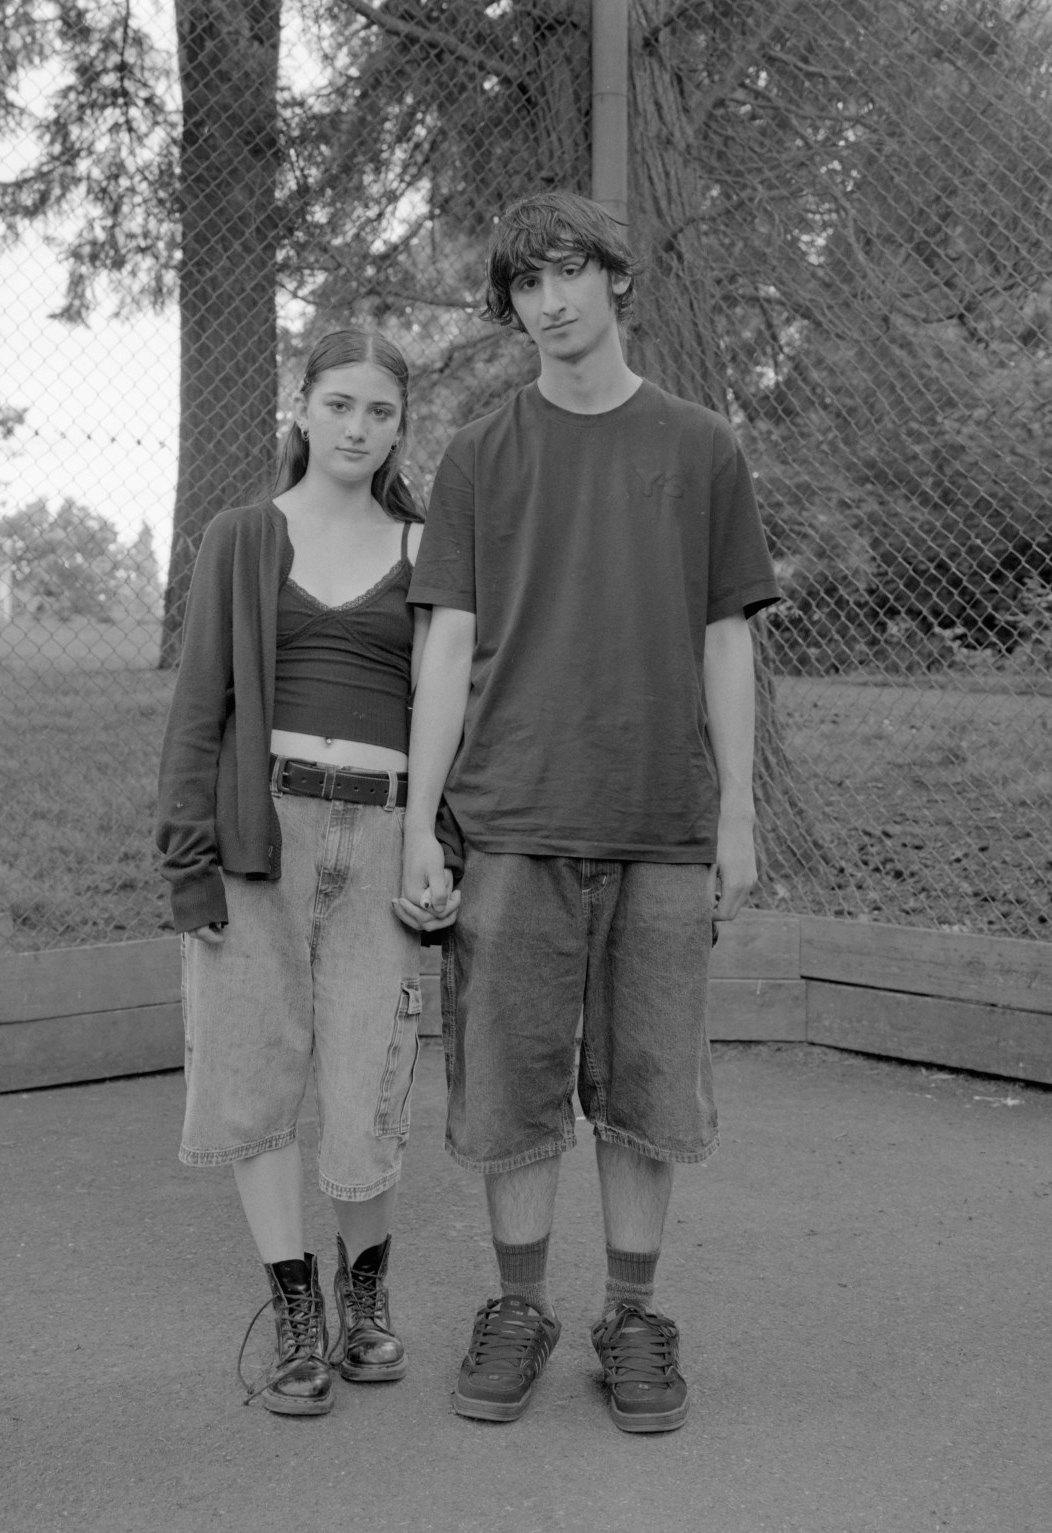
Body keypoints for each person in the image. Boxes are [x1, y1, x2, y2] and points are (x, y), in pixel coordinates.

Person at [396, 192, 780, 1434]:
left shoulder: (700, 446)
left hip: (662, 819)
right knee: (507, 1086)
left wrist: (736, 817)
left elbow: (727, 640)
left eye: (571, 274)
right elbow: (445, 645)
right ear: (509, 307)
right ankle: (518, 1308)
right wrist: (419, 821)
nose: (550, 302)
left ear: (616, 278)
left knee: (648, 1084)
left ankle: (630, 1316)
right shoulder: (481, 457)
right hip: (510, 818)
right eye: (525, 285)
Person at [156, 329, 432, 1417]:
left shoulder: (427, 547)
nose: (358, 428)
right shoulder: (240, 537)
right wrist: (190, 867)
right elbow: (198, 710)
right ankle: (296, 1311)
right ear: (303, 409)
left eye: (380, 412)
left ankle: (367, 1295)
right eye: (341, 405)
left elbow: (458, 708)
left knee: (370, 1074)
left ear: (401, 427)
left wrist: (437, 844)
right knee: (254, 1069)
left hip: (384, 838)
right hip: (258, 837)